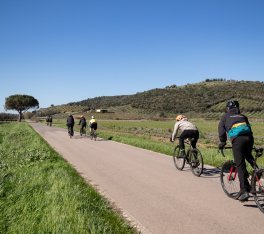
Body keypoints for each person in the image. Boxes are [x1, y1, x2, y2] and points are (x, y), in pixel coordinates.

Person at [218, 100, 254, 202]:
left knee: (240, 164)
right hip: (249, 138)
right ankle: (257, 172)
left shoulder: (225, 116)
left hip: (238, 140)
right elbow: (249, 128)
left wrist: (222, 142)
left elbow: (221, 131)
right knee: (248, 156)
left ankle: (244, 192)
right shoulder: (243, 116)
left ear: (227, 108)